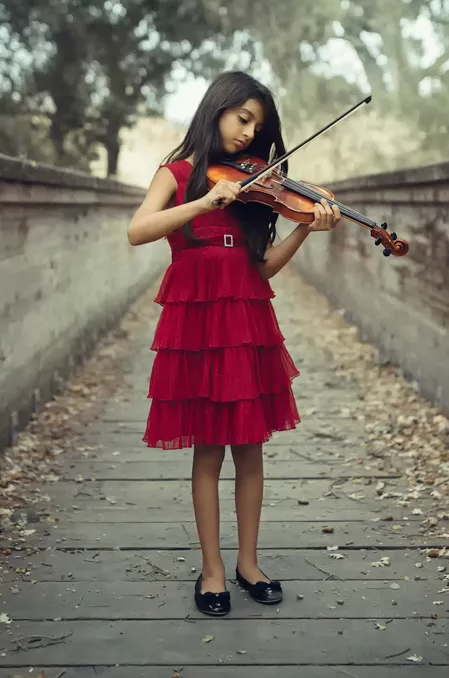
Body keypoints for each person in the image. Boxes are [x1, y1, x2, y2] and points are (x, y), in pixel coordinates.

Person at [126, 70, 341, 617]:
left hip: (245, 320)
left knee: (250, 448)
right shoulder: (176, 174)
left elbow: (262, 267)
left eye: (258, 128)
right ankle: (212, 571)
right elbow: (138, 230)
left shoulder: (253, 189)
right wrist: (203, 203)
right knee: (208, 449)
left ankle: (248, 563)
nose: (248, 133)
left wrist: (303, 227)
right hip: (197, 323)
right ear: (216, 108)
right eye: (242, 119)